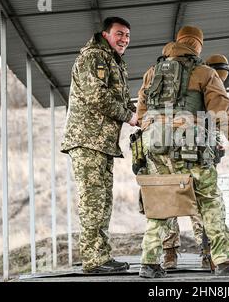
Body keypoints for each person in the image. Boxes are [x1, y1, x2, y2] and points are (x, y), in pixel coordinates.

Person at [136, 26, 229, 278]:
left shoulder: (151, 73)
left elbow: (141, 115)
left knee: (161, 202)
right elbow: (222, 113)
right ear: (196, 45)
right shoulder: (204, 72)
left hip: (155, 146)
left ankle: (149, 262)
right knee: (210, 201)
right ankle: (224, 260)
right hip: (189, 146)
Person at [61, 17, 138, 274]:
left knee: (103, 202)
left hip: (102, 143)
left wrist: (139, 114)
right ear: (105, 34)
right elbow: (98, 96)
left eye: (127, 35)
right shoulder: (93, 57)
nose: (124, 39)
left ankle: (101, 257)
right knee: (93, 201)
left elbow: (124, 100)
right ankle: (93, 261)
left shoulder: (115, 62)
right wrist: (129, 116)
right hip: (87, 140)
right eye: (119, 34)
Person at [161, 54, 229, 271]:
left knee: (182, 204)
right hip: (180, 152)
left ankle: (198, 253)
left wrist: (217, 144)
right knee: (188, 204)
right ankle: (176, 253)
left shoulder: (199, 83)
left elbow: (216, 124)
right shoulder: (193, 84)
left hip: (189, 154)